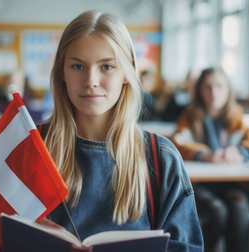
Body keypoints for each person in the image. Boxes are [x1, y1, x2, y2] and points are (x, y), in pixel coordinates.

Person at [38, 10, 203, 252]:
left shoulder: (161, 158)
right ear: (62, 72)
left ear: (127, 74)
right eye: (77, 66)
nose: (91, 80)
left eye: (106, 66)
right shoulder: (32, 147)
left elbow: (187, 247)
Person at [171, 67, 249, 252]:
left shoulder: (236, 118)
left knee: (240, 207)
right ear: (200, 90)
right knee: (218, 211)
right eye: (207, 87)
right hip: (201, 185)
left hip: (232, 184)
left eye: (219, 86)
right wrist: (204, 154)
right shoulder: (190, 116)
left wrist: (242, 153)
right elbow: (176, 142)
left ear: (228, 90)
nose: (213, 93)